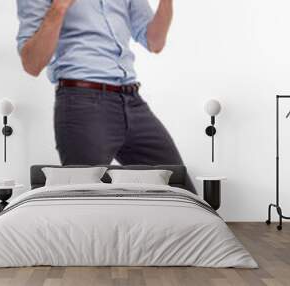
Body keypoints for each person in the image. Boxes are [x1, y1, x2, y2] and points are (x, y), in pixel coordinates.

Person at [16, 0, 195, 192]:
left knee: (179, 189)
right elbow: (32, 63)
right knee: (84, 201)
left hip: (131, 100)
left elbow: (155, 42)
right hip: (82, 102)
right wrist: (59, 7)